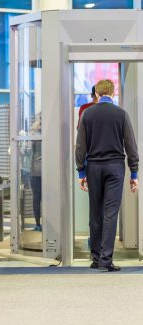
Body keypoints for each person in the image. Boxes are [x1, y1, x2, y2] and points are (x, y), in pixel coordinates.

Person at [75, 79, 139, 272]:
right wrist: (134, 172)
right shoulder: (121, 114)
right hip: (115, 168)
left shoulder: (87, 114)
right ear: (113, 93)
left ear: (96, 94)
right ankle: (105, 261)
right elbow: (131, 145)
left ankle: (95, 258)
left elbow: (80, 146)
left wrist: (81, 171)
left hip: (94, 166)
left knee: (95, 213)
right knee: (110, 213)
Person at [30, 113, 42, 231]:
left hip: (35, 171)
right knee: (49, 199)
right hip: (49, 172)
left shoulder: (34, 134)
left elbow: (27, 150)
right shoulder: (51, 134)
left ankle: (38, 224)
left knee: (36, 199)